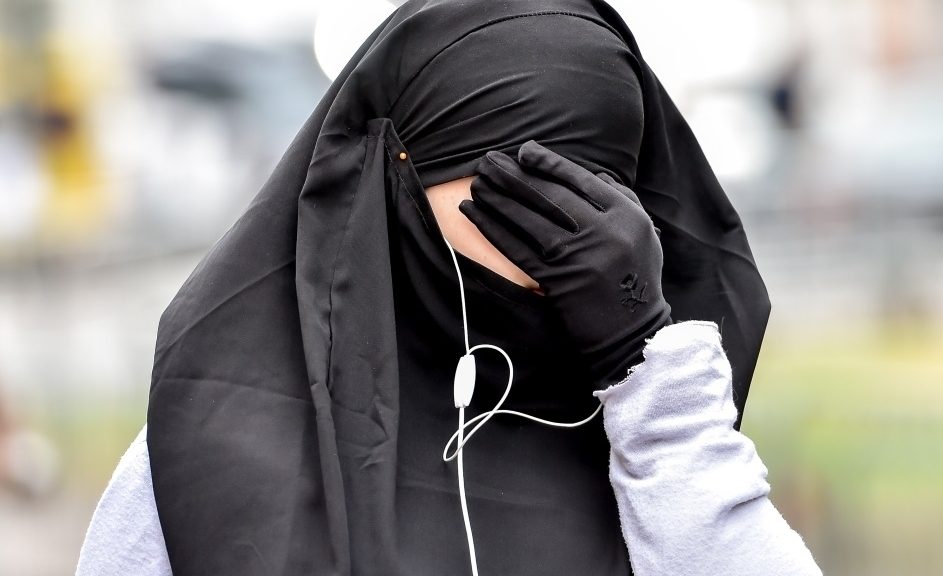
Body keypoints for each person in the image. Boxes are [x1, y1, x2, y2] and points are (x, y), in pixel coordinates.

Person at [78, 1, 818, 574]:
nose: (573, 227)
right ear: (403, 175)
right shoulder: (217, 433)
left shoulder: (655, 438)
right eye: (523, 185)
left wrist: (643, 360)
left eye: (604, 187)